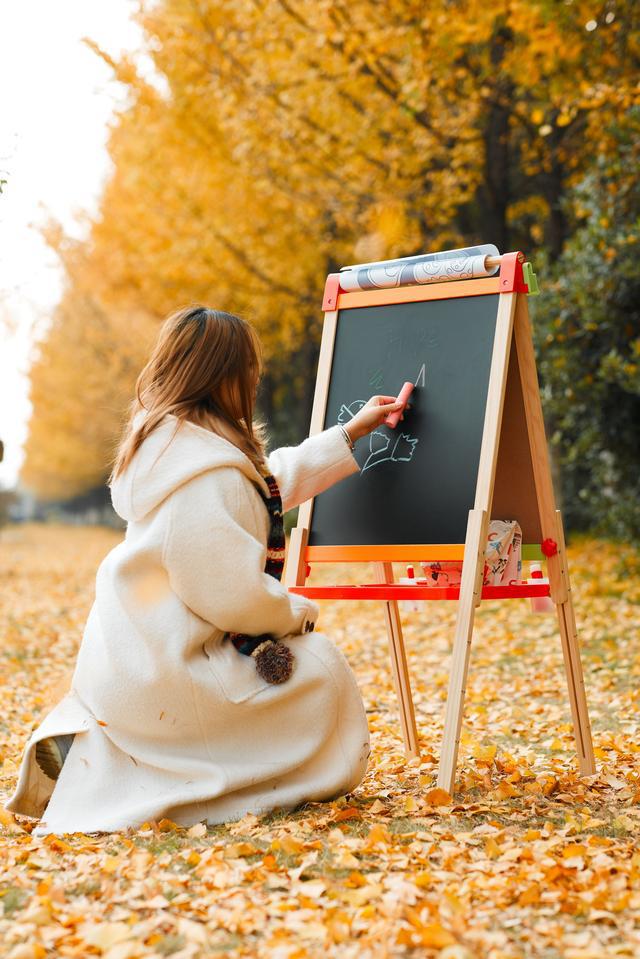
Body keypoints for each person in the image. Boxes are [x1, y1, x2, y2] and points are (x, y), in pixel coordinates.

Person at [6, 306, 405, 835]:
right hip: (170, 672)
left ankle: (126, 764)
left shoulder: (176, 447)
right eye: (250, 369)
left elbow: (263, 487)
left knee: (309, 672)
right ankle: (222, 788)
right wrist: (295, 614)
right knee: (322, 672)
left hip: (133, 663)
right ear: (225, 376)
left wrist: (347, 435)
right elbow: (232, 595)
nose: (256, 379)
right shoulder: (203, 473)